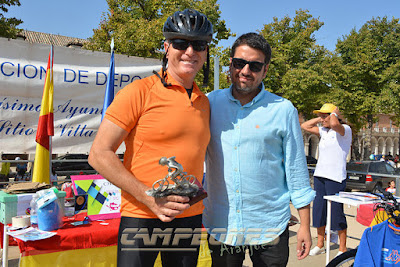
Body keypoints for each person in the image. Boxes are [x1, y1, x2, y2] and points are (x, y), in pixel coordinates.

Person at [88, 9, 213, 267]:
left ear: (206, 52)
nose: (190, 51)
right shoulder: (139, 92)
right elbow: (99, 154)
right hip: (141, 214)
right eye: (180, 43)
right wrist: (149, 198)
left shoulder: (205, 102)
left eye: (199, 44)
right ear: (167, 47)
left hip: (188, 216)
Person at [203, 32, 315, 267]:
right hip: (222, 223)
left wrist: (305, 225)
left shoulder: (283, 110)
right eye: (239, 63)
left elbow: (296, 171)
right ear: (230, 65)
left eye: (254, 66)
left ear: (265, 71)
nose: (245, 71)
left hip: (269, 225)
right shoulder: (209, 104)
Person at [301, 103, 352, 258]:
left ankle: (342, 248)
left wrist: (334, 115)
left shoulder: (345, 130)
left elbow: (336, 124)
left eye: (325, 116)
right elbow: (305, 125)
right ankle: (320, 244)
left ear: (334, 116)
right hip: (320, 176)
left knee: (337, 213)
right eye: (321, 116)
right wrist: (322, 117)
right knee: (319, 210)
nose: (322, 119)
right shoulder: (324, 131)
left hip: (335, 178)